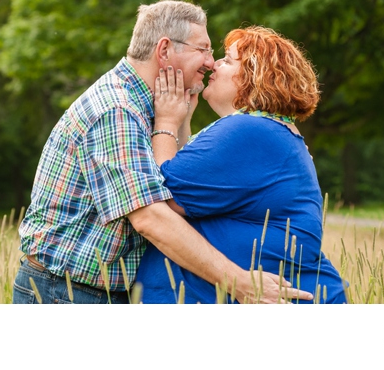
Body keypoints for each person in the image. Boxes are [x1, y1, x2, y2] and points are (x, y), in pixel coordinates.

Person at [13, 0, 313, 304]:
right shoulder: (117, 109)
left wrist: (178, 121)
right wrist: (238, 281)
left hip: (95, 292)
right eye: (204, 49)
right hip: (65, 293)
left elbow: (175, 181)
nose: (211, 63)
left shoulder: (151, 106)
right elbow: (151, 216)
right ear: (165, 50)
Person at [135, 26, 348, 304]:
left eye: (228, 60)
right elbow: (192, 183)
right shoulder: (267, 133)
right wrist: (184, 118)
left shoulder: (249, 131)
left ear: (254, 78)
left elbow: (163, 194)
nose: (214, 64)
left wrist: (165, 121)